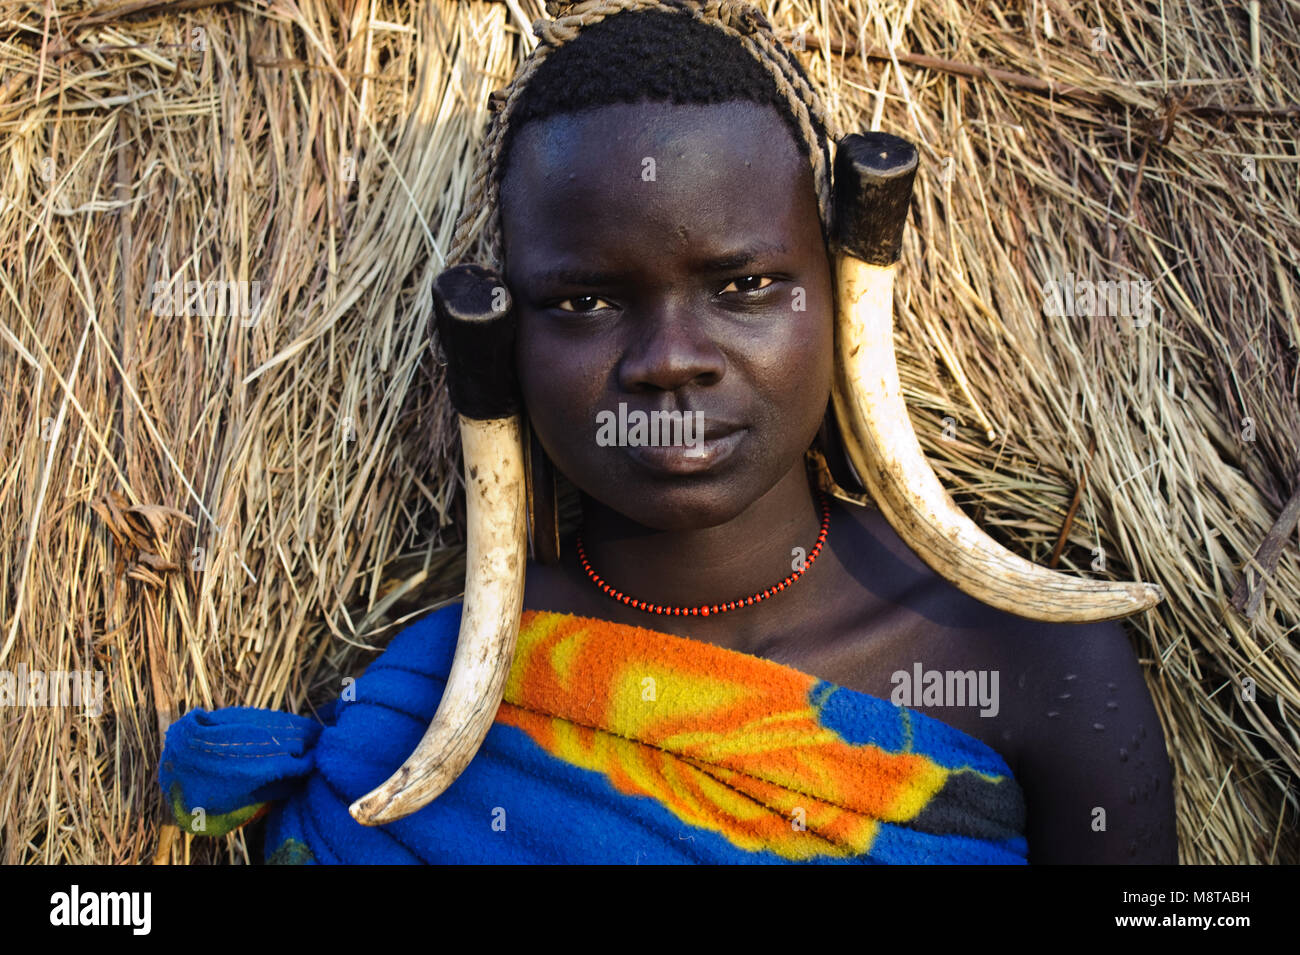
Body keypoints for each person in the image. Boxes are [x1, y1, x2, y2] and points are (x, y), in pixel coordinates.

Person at [159, 0, 1176, 864]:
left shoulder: (1037, 660)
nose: (667, 359)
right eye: (585, 303)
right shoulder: (418, 717)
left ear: (842, 293)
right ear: (497, 343)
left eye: (743, 285)